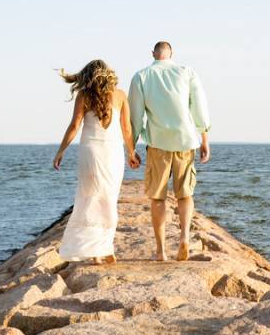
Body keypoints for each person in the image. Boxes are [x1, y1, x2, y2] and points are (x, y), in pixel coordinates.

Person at [128, 41, 210, 262]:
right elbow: (199, 107)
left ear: (153, 54)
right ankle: (184, 238)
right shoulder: (186, 72)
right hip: (185, 140)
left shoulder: (141, 76)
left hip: (158, 143)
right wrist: (204, 138)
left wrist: (131, 148)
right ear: (171, 54)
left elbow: (135, 117)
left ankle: (161, 251)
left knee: (158, 197)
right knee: (185, 194)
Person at [53, 59, 140, 263]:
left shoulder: (84, 95)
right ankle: (106, 247)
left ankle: (95, 251)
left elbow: (74, 126)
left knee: (89, 198)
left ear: (89, 76)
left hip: (90, 152)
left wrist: (61, 151)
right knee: (109, 198)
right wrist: (131, 153)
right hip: (112, 153)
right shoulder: (120, 95)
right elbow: (127, 129)